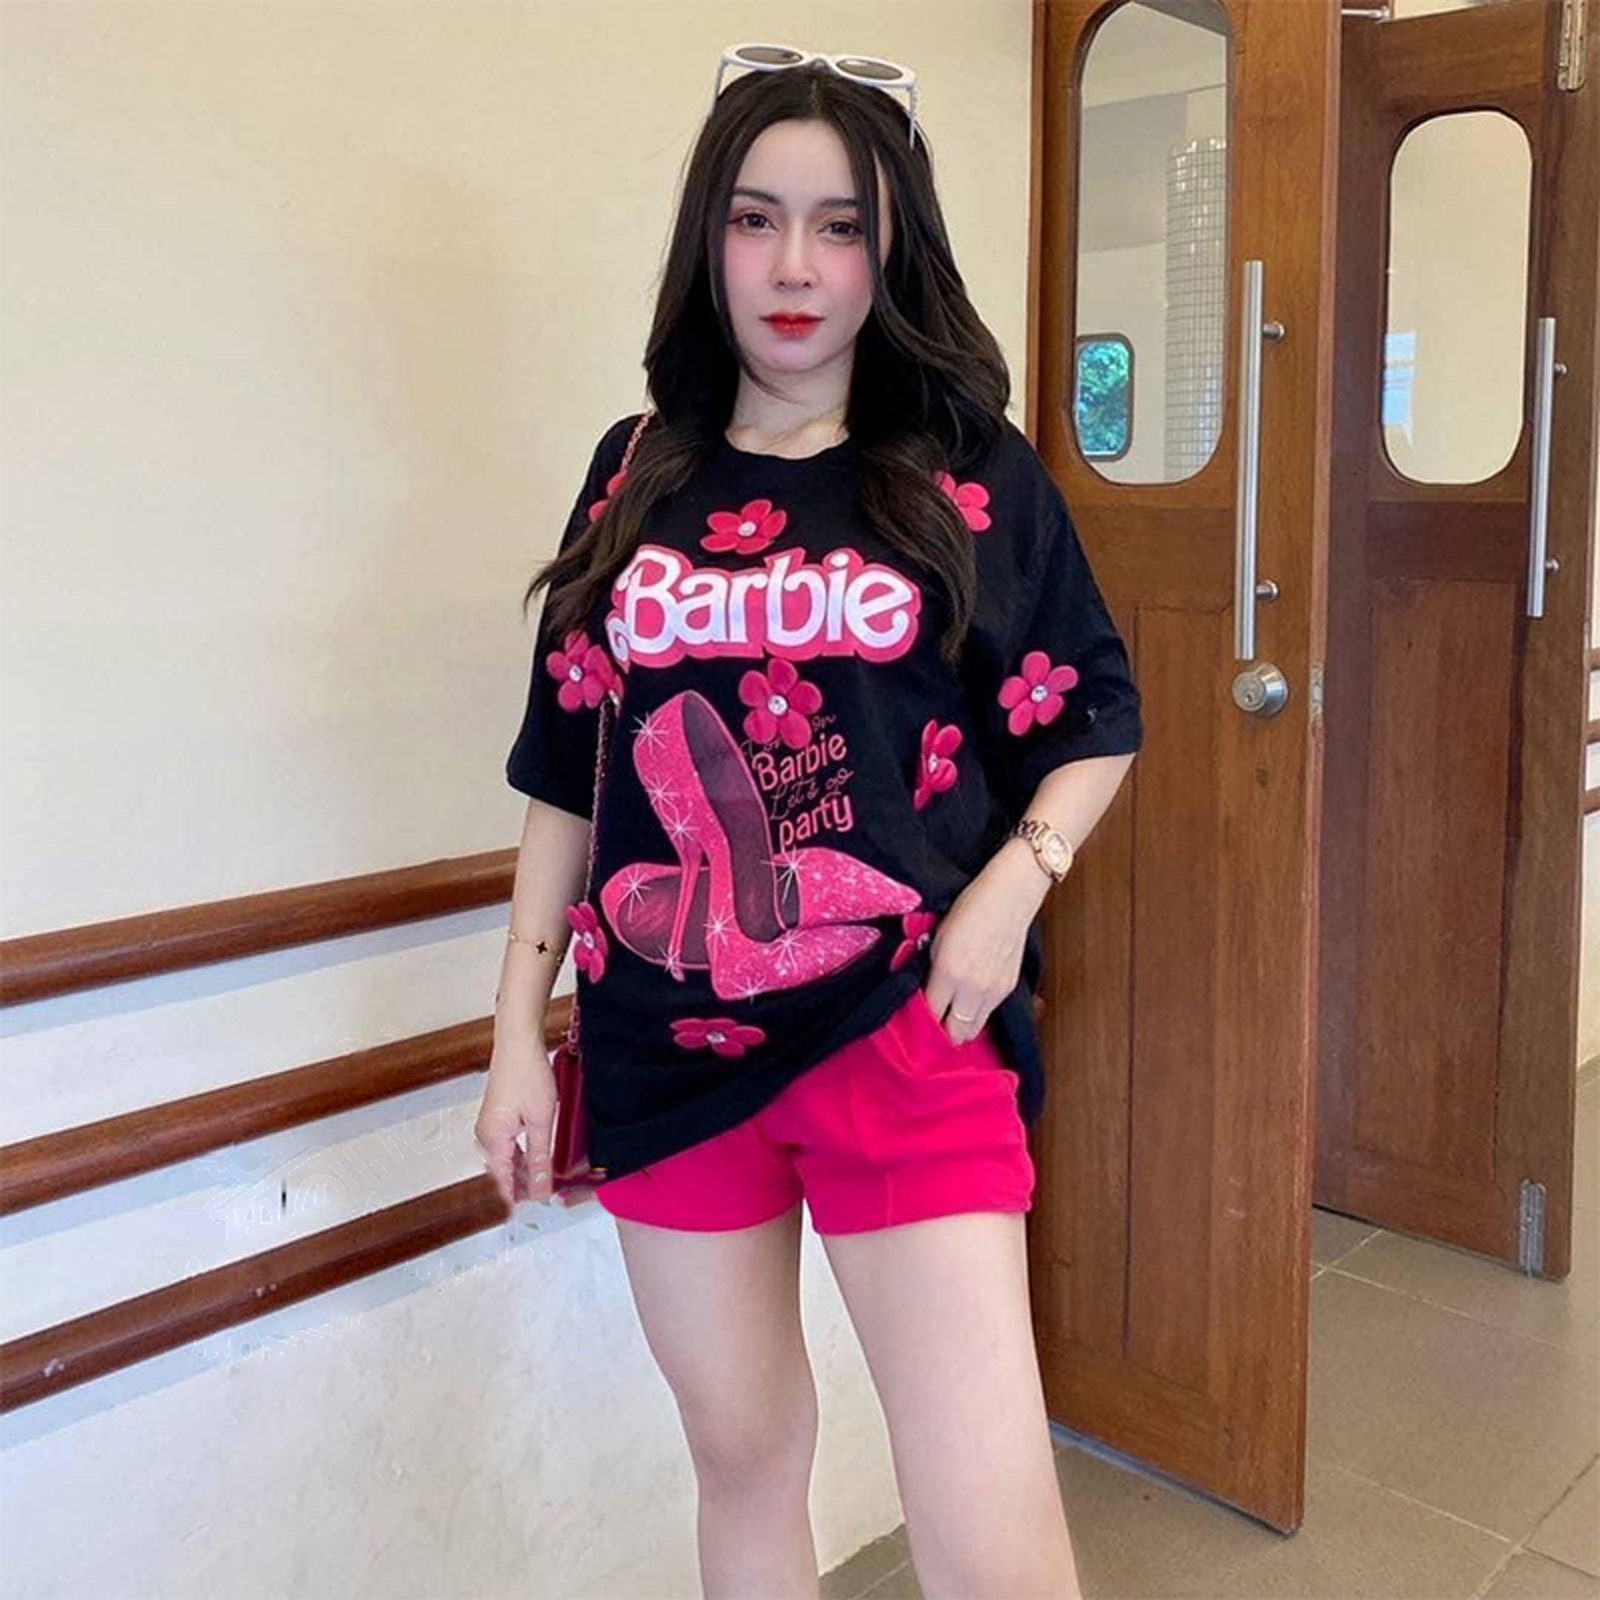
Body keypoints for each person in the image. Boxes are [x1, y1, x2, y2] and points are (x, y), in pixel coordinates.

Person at [476, 44, 1141, 1600]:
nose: (794, 267)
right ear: (707, 240)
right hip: (661, 1045)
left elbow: (1095, 713)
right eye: (757, 219)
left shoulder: (967, 473)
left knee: (987, 1510)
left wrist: (1012, 894)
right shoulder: (633, 475)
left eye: (840, 227)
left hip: (905, 1026)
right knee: (746, 1461)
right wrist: (514, 1030)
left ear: (890, 249)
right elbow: (569, 761)